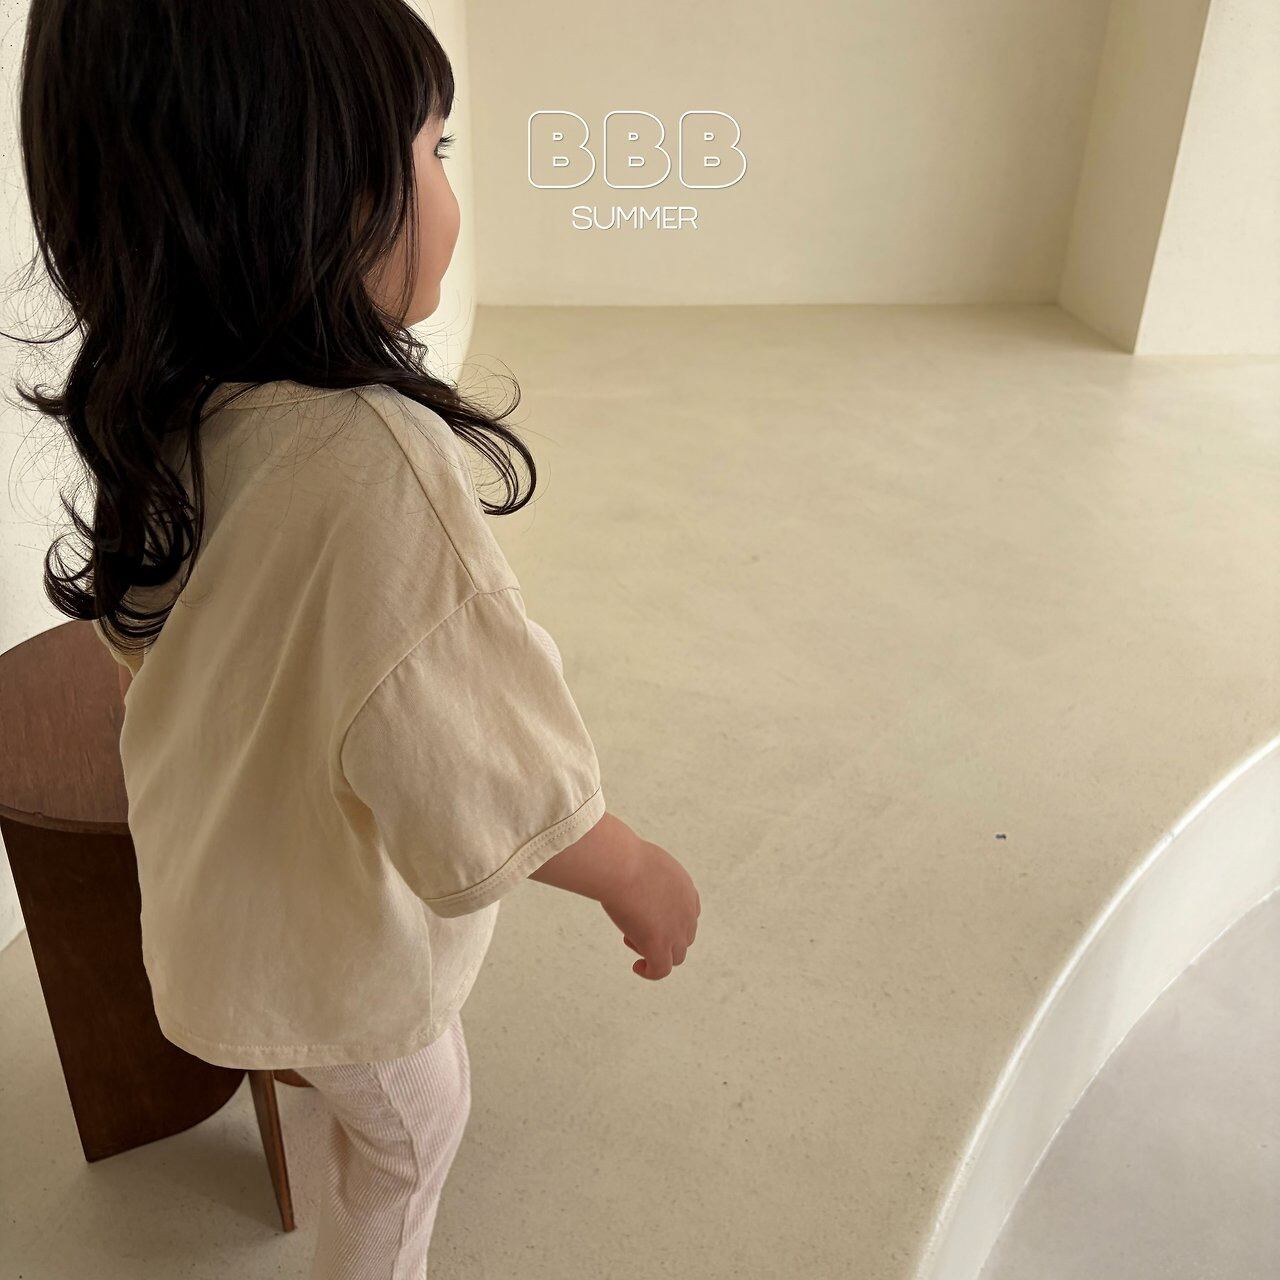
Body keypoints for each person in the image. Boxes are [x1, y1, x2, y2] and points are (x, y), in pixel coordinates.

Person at [12, 2, 701, 1275]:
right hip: (325, 950)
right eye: (433, 149)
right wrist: (632, 868)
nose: (449, 185)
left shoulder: (163, 399)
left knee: (360, 1105)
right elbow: (480, 764)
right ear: (312, 194)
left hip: (212, 895)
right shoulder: (376, 464)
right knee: (411, 1137)